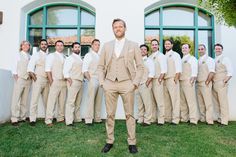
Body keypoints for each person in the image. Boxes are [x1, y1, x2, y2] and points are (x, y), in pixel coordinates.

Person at [98, 18, 144, 154]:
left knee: (129, 114)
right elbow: (100, 66)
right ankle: (109, 141)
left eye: (120, 26)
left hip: (127, 83)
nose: (118, 29)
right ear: (112, 29)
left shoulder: (133, 45)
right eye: (115, 27)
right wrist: (102, 82)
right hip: (110, 83)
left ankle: (132, 142)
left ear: (125, 28)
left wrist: (134, 83)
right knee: (110, 114)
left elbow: (141, 66)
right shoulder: (106, 46)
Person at [45, 40, 67, 126]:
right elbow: (47, 69)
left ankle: (60, 118)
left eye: (61, 45)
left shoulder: (65, 57)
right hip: (55, 81)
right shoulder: (51, 56)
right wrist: (51, 81)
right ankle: (48, 120)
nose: (60, 47)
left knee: (62, 101)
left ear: (63, 47)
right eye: (58, 45)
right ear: (55, 47)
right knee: (52, 101)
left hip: (64, 82)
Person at [27, 39, 49, 126]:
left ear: (47, 46)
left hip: (47, 80)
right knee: (34, 100)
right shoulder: (36, 55)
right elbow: (30, 67)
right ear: (40, 45)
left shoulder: (49, 56)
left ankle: (48, 118)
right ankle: (32, 119)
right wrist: (35, 78)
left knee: (47, 100)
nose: (44, 45)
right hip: (38, 79)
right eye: (42, 44)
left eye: (45, 44)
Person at [11, 40, 32, 126]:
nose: (27, 46)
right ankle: (14, 118)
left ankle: (22, 117)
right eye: (25, 45)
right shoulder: (18, 55)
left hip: (28, 79)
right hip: (20, 79)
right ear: (22, 46)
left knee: (24, 99)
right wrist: (15, 75)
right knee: (16, 99)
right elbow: (14, 65)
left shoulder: (30, 56)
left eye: (28, 45)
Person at [82, 39, 103, 125]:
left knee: (99, 100)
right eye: (95, 44)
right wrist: (90, 80)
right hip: (93, 78)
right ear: (92, 45)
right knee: (90, 100)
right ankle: (89, 119)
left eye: (98, 45)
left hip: (100, 80)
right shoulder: (88, 55)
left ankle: (97, 118)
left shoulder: (100, 56)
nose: (97, 46)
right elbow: (84, 69)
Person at [63, 42, 83, 126]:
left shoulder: (80, 58)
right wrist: (68, 78)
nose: (77, 48)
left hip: (80, 81)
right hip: (73, 81)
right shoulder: (70, 58)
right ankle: (69, 121)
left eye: (78, 47)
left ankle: (77, 118)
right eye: (75, 47)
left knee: (78, 101)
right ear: (72, 49)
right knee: (71, 102)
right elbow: (65, 70)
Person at [212, 43, 233, 126]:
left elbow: (230, 72)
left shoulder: (225, 58)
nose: (217, 50)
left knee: (223, 102)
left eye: (219, 48)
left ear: (222, 49)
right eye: (216, 48)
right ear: (214, 50)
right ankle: (220, 118)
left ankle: (224, 121)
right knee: (217, 102)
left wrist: (224, 81)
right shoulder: (214, 59)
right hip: (214, 83)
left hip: (221, 83)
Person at [149, 39, 167, 125]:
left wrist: (160, 80)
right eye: (153, 44)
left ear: (158, 46)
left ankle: (161, 119)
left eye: (156, 44)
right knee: (152, 100)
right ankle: (153, 118)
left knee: (160, 101)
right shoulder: (150, 56)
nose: (154, 46)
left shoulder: (161, 56)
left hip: (157, 80)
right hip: (150, 81)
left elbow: (164, 70)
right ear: (151, 46)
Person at [163, 39, 182, 124]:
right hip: (165, 80)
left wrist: (176, 78)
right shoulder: (164, 55)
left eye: (168, 44)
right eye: (165, 44)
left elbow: (178, 68)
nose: (167, 45)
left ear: (172, 45)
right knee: (166, 101)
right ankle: (167, 118)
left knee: (175, 100)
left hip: (172, 79)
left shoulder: (175, 55)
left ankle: (175, 119)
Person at [179, 44, 198, 125]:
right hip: (181, 81)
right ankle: (184, 118)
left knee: (191, 101)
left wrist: (192, 80)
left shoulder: (192, 58)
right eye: (183, 48)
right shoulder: (181, 59)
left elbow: (195, 70)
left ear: (189, 49)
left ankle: (193, 120)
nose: (184, 49)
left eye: (186, 48)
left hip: (188, 81)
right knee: (182, 101)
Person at [136, 44, 155, 126]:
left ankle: (147, 120)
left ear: (147, 51)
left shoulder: (149, 60)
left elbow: (152, 73)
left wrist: (147, 83)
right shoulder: (137, 61)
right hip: (137, 85)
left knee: (147, 103)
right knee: (139, 103)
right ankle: (140, 119)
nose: (142, 51)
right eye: (141, 49)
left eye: (144, 49)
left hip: (145, 84)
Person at [197, 44, 215, 125]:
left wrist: (207, 81)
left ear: (205, 50)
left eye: (202, 49)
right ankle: (203, 118)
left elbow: (212, 72)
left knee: (208, 103)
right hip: (199, 83)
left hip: (205, 83)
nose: (200, 50)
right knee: (201, 103)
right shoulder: (198, 60)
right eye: (199, 49)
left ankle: (209, 120)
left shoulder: (209, 59)